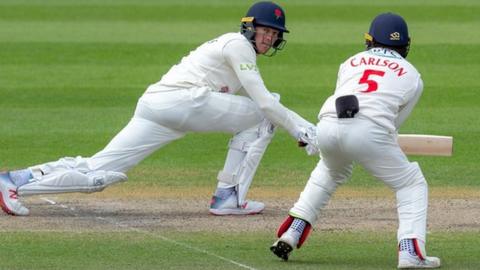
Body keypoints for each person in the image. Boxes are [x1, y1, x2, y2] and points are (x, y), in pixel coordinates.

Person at [0, 1, 316, 217]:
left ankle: (13, 180)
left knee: (100, 175)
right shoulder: (237, 45)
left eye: (274, 34)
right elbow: (263, 103)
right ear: (249, 27)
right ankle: (228, 196)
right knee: (263, 114)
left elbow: (262, 102)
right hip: (182, 101)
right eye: (265, 30)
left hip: (159, 106)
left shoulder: (238, 51)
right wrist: (304, 131)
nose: (269, 37)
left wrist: (303, 127)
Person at [270, 13, 441, 269]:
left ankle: (292, 231)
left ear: (370, 40)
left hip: (327, 125)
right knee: (411, 183)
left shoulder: (350, 62)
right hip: (371, 132)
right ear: (405, 44)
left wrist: (320, 138)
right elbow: (393, 124)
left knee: (329, 171)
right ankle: (411, 252)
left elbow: (345, 99)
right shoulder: (412, 75)